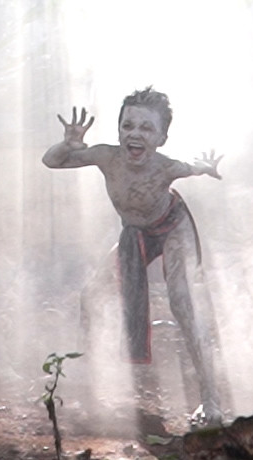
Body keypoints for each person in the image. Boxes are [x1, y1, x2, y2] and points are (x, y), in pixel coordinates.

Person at [42, 88, 224, 428]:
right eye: (128, 126)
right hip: (135, 234)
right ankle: (88, 381)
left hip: (173, 227)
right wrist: (69, 144)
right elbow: (51, 161)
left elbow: (191, 167)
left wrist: (206, 166)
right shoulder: (105, 157)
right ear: (119, 131)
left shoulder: (166, 166)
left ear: (161, 137)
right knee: (90, 295)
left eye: (146, 128)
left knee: (183, 305)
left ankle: (210, 398)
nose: (135, 134)